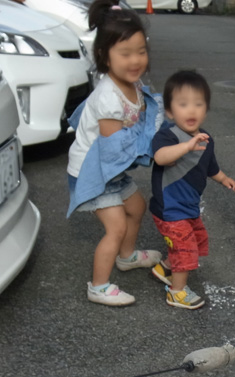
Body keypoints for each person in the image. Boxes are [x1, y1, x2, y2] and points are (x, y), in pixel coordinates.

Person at [67, 0, 163, 306]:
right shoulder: (108, 96)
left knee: (135, 208)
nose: (135, 60)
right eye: (125, 54)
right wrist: (155, 148)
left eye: (141, 51)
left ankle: (127, 256)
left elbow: (144, 114)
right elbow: (114, 146)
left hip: (111, 168)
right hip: (92, 170)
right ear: (103, 56)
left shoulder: (133, 85)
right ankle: (98, 285)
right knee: (116, 225)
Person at [147, 71, 235, 310]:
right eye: (183, 104)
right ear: (169, 111)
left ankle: (165, 267)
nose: (192, 110)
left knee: (194, 240)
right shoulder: (167, 136)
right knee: (185, 248)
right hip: (170, 209)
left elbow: (210, 167)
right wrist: (186, 146)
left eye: (198, 104)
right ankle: (176, 292)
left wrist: (224, 178)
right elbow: (160, 157)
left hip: (188, 207)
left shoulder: (206, 138)